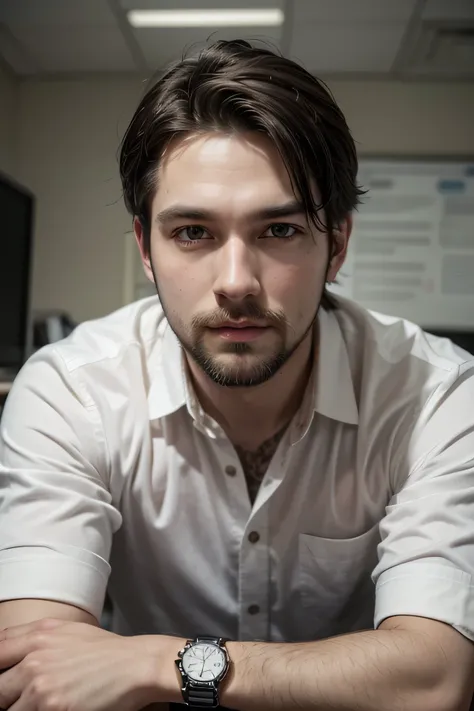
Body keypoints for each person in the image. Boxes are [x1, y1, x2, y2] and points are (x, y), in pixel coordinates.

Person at [0, 39, 473, 711]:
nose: (235, 283)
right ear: (145, 247)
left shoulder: (436, 394)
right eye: (193, 232)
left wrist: (161, 661)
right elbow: (33, 667)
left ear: (337, 243)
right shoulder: (71, 390)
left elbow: (435, 679)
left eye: (278, 230)